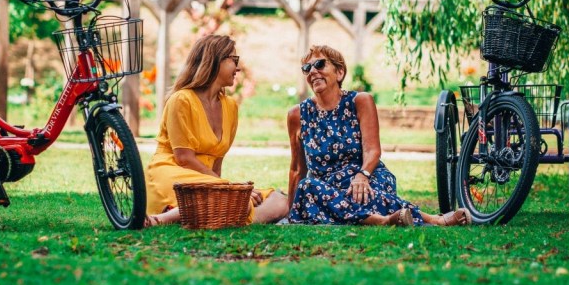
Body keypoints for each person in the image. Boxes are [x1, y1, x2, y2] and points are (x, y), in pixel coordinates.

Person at [287, 45, 472, 227]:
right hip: (327, 188)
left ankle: (429, 219)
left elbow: (373, 150)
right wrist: (290, 212)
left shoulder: (360, 101)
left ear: (339, 72)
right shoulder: (297, 115)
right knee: (307, 187)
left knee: (365, 192)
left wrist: (362, 175)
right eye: (306, 68)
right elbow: (297, 169)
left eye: (319, 64)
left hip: (367, 175)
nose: (312, 71)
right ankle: (391, 220)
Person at [144, 35, 289, 227]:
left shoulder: (230, 107)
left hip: (208, 181)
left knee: (281, 200)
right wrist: (226, 187)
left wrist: (222, 187)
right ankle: (161, 219)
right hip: (173, 172)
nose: (238, 68)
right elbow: (184, 158)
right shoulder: (181, 100)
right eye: (233, 60)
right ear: (213, 61)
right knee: (238, 201)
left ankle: (223, 212)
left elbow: (217, 161)